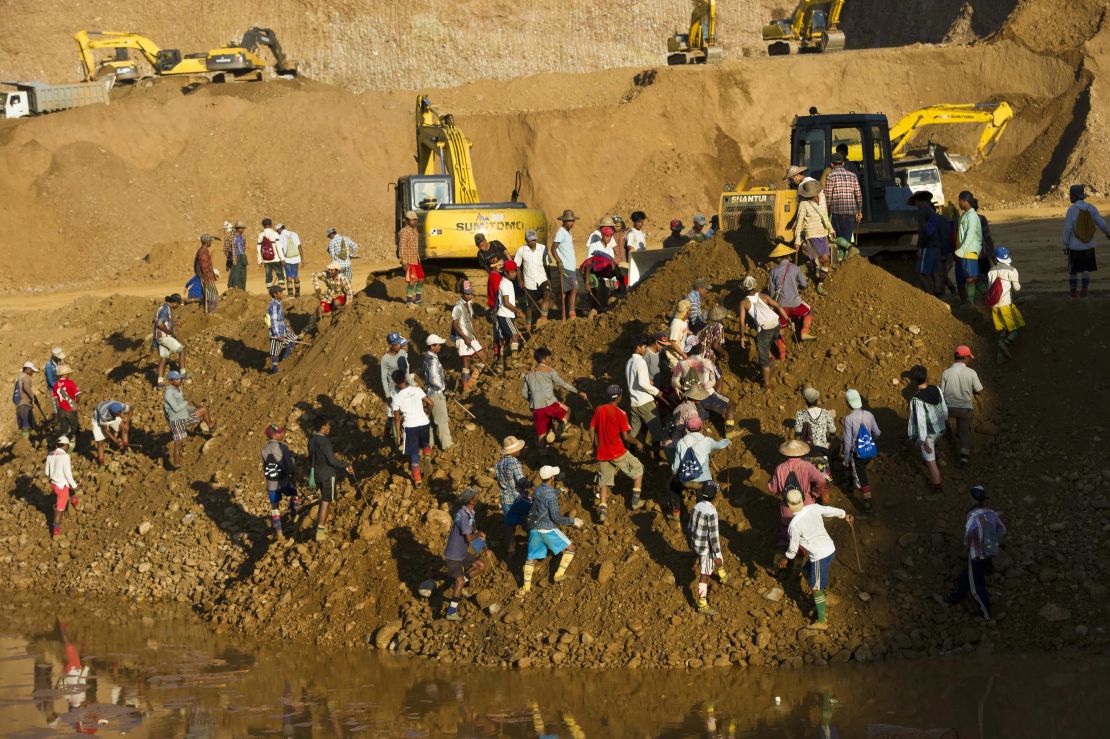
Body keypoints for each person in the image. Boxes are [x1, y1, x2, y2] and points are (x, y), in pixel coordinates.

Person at [777, 490, 854, 631]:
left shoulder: (794, 525)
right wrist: (844, 515)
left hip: (820, 556)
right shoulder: (813, 507)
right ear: (802, 499)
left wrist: (785, 559)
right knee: (806, 571)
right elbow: (829, 510)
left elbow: (793, 549)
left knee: (815, 587)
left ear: (788, 505)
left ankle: (822, 620)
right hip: (830, 549)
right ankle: (821, 599)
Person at [943, 484, 1006, 620]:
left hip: (976, 555)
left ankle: (986, 614)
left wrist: (972, 546)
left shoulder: (971, 516)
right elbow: (1002, 530)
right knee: (968, 576)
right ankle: (954, 597)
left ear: (972, 498)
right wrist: (990, 542)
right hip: (989, 553)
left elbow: (967, 538)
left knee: (976, 587)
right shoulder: (992, 513)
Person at [519, 465, 584, 597]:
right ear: (552, 477)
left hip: (534, 528)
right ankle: (559, 575)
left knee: (531, 558)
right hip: (547, 528)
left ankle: (526, 588)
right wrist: (573, 521)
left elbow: (546, 494)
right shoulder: (551, 496)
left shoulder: (537, 490)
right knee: (571, 548)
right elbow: (556, 517)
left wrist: (558, 490)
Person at [589, 384, 645, 522]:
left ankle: (602, 512)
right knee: (638, 469)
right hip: (617, 452)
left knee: (604, 483)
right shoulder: (621, 414)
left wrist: (594, 446)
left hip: (602, 452)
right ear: (619, 397)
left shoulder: (599, 410)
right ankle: (635, 501)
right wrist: (637, 442)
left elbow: (591, 429)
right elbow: (626, 437)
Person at [521, 347, 587, 447]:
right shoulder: (549, 371)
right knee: (568, 410)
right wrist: (578, 392)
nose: (550, 360)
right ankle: (560, 429)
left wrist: (533, 401)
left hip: (536, 409)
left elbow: (524, 393)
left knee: (541, 435)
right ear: (543, 360)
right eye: (549, 358)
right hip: (550, 404)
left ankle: (544, 458)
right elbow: (563, 384)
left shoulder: (528, 374)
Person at [670, 415, 730, 523]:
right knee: (704, 494)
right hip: (702, 482)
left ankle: (676, 513)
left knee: (673, 487)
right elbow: (720, 445)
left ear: (687, 428)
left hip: (686, 481)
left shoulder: (681, 442)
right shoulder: (707, 441)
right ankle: (699, 519)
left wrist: (679, 474)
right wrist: (727, 442)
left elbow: (675, 467)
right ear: (701, 427)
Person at [769, 439, 828, 545]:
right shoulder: (807, 466)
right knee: (807, 536)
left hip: (788, 510)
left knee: (788, 535)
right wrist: (815, 494)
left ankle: (785, 554)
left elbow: (772, 489)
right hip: (806, 507)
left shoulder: (779, 468)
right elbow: (822, 481)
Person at [443, 488, 488, 621]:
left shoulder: (470, 513)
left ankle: (458, 585)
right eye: (475, 496)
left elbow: (473, 532)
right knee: (460, 581)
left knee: (480, 566)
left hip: (462, 552)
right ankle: (451, 612)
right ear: (470, 500)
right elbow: (469, 537)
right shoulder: (463, 515)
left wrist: (483, 547)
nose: (477, 497)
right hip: (454, 555)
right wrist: (478, 535)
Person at [739, 275, 790, 390]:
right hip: (776, 324)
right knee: (762, 341)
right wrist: (788, 319)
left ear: (744, 289)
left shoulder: (744, 303)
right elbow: (778, 306)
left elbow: (741, 322)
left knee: (763, 358)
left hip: (766, 329)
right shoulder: (763, 296)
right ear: (755, 287)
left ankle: (767, 384)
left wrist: (742, 337)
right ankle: (771, 357)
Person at [671, 345, 737, 433]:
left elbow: (674, 381)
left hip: (691, 397)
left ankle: (698, 437)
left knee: (698, 420)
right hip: (707, 394)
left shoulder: (681, 364)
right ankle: (729, 432)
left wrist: (683, 389)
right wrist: (702, 388)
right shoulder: (707, 362)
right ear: (700, 350)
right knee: (731, 404)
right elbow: (713, 381)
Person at [308, 416, 353, 542]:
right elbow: (332, 460)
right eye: (328, 425)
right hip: (327, 475)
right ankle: (320, 531)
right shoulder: (324, 441)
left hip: (317, 474)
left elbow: (310, 458)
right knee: (326, 501)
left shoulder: (312, 440)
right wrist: (346, 465)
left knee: (325, 499)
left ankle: (321, 527)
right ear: (323, 427)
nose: (329, 427)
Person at [1062, 183, 1109, 297]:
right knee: (1085, 269)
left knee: (1073, 271)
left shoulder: (1072, 210)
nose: (1070, 197)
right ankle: (1084, 290)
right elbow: (1101, 223)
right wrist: (1108, 233)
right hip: (1089, 246)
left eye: (1071, 195)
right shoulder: (1091, 208)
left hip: (1074, 246)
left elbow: (1067, 229)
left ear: (1075, 196)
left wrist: (1065, 245)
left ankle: (1073, 292)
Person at [906, 364, 948, 493]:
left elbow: (921, 422)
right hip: (941, 429)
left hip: (929, 436)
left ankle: (937, 490)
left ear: (913, 380)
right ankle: (938, 454)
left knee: (931, 464)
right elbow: (944, 408)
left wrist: (924, 441)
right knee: (933, 445)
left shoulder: (917, 399)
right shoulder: (937, 389)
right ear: (926, 376)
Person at [940, 345, 983, 467]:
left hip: (949, 408)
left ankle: (946, 443)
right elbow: (979, 389)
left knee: (944, 425)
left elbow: (941, 393)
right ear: (965, 359)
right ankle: (964, 459)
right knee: (965, 433)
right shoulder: (971, 372)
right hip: (965, 409)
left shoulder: (946, 373)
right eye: (968, 358)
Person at [163, 370, 216, 468]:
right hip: (176, 421)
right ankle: (177, 466)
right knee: (178, 444)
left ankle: (212, 428)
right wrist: (188, 401)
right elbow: (176, 408)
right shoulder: (169, 393)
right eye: (177, 379)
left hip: (184, 416)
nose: (180, 380)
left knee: (203, 410)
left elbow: (184, 405)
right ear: (170, 380)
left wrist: (194, 408)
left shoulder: (178, 389)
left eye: (180, 378)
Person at [688, 481, 726, 615]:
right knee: (705, 574)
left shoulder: (697, 506)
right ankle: (702, 604)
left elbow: (689, 526)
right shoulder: (712, 512)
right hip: (705, 548)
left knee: (708, 563)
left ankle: (722, 573)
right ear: (715, 496)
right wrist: (717, 554)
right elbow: (714, 537)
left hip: (695, 543)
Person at [391, 369, 434, 486]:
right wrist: (428, 415)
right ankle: (427, 457)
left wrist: (398, 435)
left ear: (395, 383)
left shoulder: (396, 397)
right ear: (405, 378)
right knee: (425, 443)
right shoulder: (417, 389)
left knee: (414, 453)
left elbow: (397, 419)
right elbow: (430, 403)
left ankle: (418, 480)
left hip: (410, 426)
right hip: (423, 422)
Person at [794, 180, 836, 294]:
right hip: (811, 235)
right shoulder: (804, 204)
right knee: (823, 259)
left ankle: (819, 283)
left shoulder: (822, 199)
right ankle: (807, 268)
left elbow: (825, 216)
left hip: (823, 234)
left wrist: (830, 229)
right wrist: (797, 240)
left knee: (826, 261)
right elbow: (799, 223)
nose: (816, 195)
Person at [768, 243, 816, 341]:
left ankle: (782, 355)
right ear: (789, 257)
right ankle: (804, 332)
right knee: (809, 311)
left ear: (778, 258)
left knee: (780, 328)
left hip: (781, 307)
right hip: (795, 304)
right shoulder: (796, 268)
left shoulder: (773, 271)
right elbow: (804, 284)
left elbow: (772, 293)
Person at [842, 389, 880, 511]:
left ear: (848, 403)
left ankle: (867, 502)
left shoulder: (849, 419)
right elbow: (878, 432)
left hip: (857, 454)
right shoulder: (869, 415)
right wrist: (870, 441)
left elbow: (847, 442)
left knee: (862, 477)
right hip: (869, 452)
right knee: (862, 472)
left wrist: (846, 459)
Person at [451, 280, 493, 391]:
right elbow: (455, 325)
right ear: (461, 293)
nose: (470, 296)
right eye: (467, 293)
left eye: (471, 293)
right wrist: (465, 338)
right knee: (466, 362)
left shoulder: (469, 305)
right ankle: (465, 386)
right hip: (462, 338)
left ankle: (473, 379)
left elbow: (470, 320)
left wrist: (476, 336)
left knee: (484, 356)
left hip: (471, 337)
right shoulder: (458, 307)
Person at [626, 335, 665, 448]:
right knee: (657, 431)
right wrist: (657, 392)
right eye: (644, 347)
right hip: (645, 402)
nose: (645, 349)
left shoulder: (629, 362)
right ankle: (657, 456)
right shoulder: (640, 362)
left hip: (634, 403)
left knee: (634, 431)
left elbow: (636, 380)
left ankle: (629, 451)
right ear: (638, 347)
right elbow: (643, 384)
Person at [260, 424, 299, 538]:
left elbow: (265, 466)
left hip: (272, 482)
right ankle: (293, 519)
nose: (282, 434)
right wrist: (293, 473)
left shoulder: (264, 449)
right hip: (284, 479)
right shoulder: (282, 447)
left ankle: (279, 532)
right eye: (280, 432)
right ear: (275, 434)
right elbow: (289, 464)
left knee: (274, 507)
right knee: (294, 495)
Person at [986, 246, 1024, 361]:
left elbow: (989, 289)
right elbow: (1017, 288)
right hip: (1006, 304)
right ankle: (1007, 343)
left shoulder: (991, 271)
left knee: (1003, 330)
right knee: (1017, 328)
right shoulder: (1012, 270)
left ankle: (1000, 358)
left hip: (994, 306)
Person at [495, 436, 530, 556]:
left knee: (510, 527)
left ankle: (511, 551)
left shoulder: (498, 464)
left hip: (505, 499)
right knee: (529, 521)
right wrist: (529, 483)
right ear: (513, 451)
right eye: (518, 448)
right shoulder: (514, 462)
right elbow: (521, 481)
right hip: (518, 498)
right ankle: (532, 546)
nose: (520, 450)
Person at [910, 191, 948, 298]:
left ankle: (929, 295)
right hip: (937, 245)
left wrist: (920, 247)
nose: (916, 206)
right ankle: (939, 295)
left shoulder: (922, 212)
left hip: (928, 245)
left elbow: (923, 231)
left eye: (916, 203)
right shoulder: (932, 212)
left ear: (918, 201)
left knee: (920, 272)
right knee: (935, 271)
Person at [794, 387, 836, 477]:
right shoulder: (826, 413)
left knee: (806, 481)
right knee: (822, 483)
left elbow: (797, 435)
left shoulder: (800, 414)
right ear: (817, 399)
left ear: (805, 400)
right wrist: (829, 442)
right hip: (821, 452)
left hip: (806, 452)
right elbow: (832, 431)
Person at [514, 229, 551, 327]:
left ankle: (543, 318)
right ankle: (528, 325)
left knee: (546, 295)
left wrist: (549, 278)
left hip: (542, 278)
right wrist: (520, 280)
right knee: (529, 306)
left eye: (534, 240)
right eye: (530, 240)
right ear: (526, 240)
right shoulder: (521, 250)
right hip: (529, 281)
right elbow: (517, 266)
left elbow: (547, 264)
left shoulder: (543, 248)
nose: (532, 242)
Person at [422, 334, 453, 451]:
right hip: (436, 393)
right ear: (432, 346)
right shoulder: (433, 361)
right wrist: (444, 389)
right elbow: (434, 379)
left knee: (430, 421)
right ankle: (446, 445)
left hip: (428, 393)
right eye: (438, 345)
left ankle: (430, 444)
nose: (440, 346)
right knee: (441, 420)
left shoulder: (427, 358)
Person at [45, 436, 79, 539]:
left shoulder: (50, 454)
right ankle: (55, 530)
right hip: (61, 487)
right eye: (68, 445)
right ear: (65, 445)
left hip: (53, 485)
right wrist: (75, 485)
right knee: (60, 509)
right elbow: (68, 474)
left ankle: (74, 500)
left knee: (68, 486)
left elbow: (47, 472)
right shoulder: (65, 456)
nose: (68, 447)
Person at [825, 151, 863, 243]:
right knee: (847, 237)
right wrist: (859, 211)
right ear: (843, 163)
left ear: (831, 164)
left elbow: (828, 197)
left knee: (838, 238)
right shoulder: (853, 176)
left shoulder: (831, 176)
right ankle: (846, 256)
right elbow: (858, 195)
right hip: (851, 212)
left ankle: (841, 257)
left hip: (837, 212)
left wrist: (826, 212)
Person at [495, 260, 526, 370]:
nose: (514, 274)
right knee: (514, 335)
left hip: (507, 314)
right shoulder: (505, 284)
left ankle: (500, 364)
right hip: (505, 314)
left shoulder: (508, 282)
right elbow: (506, 303)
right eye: (512, 272)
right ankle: (514, 361)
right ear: (506, 272)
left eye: (515, 272)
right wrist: (518, 310)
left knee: (505, 340)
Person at [152, 293, 186, 388]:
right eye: (178, 304)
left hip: (158, 337)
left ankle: (160, 381)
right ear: (174, 302)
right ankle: (183, 374)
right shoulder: (165, 310)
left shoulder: (165, 307)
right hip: (164, 337)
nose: (178, 306)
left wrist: (175, 322)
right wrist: (169, 332)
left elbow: (165, 321)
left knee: (163, 358)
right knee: (181, 349)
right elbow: (159, 324)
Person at [551, 210, 580, 318]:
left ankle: (565, 312)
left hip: (571, 266)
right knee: (574, 287)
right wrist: (559, 261)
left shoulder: (568, 232)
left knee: (567, 290)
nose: (571, 223)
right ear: (564, 221)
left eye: (572, 221)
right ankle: (571, 311)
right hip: (566, 266)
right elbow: (553, 248)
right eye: (569, 221)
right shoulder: (561, 232)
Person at [955, 191, 982, 304]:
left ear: (965, 201)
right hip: (964, 252)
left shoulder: (971, 216)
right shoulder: (965, 215)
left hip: (968, 251)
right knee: (970, 277)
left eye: (959, 201)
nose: (959, 203)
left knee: (971, 278)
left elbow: (970, 234)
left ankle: (972, 304)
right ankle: (984, 297)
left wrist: (961, 250)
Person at [266, 285, 300, 374]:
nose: (282, 294)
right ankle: (274, 367)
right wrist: (277, 335)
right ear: (275, 294)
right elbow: (273, 321)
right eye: (280, 292)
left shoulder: (278, 303)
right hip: (276, 332)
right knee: (275, 352)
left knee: (294, 338)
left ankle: (285, 354)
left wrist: (286, 329)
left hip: (283, 329)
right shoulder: (273, 306)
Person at [397, 210, 425, 306]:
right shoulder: (404, 232)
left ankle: (418, 299)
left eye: (415, 220)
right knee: (412, 281)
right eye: (411, 220)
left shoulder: (415, 230)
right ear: (407, 220)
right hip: (409, 260)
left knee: (421, 279)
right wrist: (403, 261)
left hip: (416, 259)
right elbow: (401, 247)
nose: (414, 222)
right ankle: (409, 301)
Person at [91, 400, 131, 466]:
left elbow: (131, 409)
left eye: (121, 411)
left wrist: (127, 423)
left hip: (111, 416)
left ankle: (125, 448)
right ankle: (101, 462)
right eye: (119, 413)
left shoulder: (120, 406)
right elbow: (105, 429)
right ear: (113, 412)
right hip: (98, 420)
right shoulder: (103, 414)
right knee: (100, 442)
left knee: (124, 427)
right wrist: (116, 441)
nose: (121, 414)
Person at [52, 365, 80, 446]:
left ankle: (64, 446)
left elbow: (56, 400)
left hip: (61, 410)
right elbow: (78, 395)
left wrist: (59, 411)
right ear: (66, 374)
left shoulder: (56, 385)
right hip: (70, 409)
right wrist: (76, 404)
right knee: (74, 430)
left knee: (64, 430)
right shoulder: (70, 383)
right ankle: (73, 447)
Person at [380, 332, 410, 410]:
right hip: (394, 389)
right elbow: (384, 378)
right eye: (396, 344)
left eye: (399, 343)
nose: (399, 345)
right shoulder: (385, 359)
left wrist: (411, 384)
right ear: (390, 345)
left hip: (404, 386)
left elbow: (406, 370)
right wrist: (387, 395)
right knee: (396, 411)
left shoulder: (403, 353)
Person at [14, 361, 41, 441]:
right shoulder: (25, 377)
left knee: (26, 423)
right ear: (28, 369)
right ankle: (25, 444)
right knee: (26, 424)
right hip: (24, 403)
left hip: (19, 403)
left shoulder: (19, 377)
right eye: (32, 371)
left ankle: (28, 441)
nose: (33, 373)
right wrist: (33, 396)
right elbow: (26, 388)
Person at [256, 218, 285, 291]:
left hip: (266, 260)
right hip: (276, 259)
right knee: (280, 275)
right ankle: (279, 292)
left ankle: (270, 292)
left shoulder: (261, 235)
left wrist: (259, 261)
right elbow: (279, 247)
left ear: (263, 225)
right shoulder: (275, 234)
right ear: (271, 224)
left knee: (268, 276)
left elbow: (258, 249)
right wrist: (282, 259)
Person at [194, 234, 220, 314]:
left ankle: (210, 312)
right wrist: (205, 279)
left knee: (211, 295)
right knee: (212, 296)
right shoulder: (203, 252)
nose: (211, 242)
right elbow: (204, 267)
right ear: (206, 242)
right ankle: (211, 313)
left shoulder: (203, 250)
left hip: (207, 277)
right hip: (206, 278)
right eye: (210, 241)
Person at [277, 223, 303, 297]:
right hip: (296, 258)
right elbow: (299, 246)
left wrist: (282, 259)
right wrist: (302, 258)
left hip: (287, 260)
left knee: (289, 277)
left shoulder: (280, 236)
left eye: (277, 230)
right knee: (296, 275)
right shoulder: (294, 234)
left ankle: (290, 295)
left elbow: (281, 249)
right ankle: (298, 294)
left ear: (279, 229)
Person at [224, 221, 249, 291]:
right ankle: (234, 291)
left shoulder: (243, 237)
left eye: (244, 228)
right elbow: (226, 250)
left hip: (242, 258)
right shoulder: (231, 238)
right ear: (237, 228)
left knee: (243, 275)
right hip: (235, 259)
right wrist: (229, 261)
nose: (243, 229)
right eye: (242, 228)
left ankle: (242, 291)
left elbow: (244, 248)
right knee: (235, 276)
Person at [44, 347, 64, 419]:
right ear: (54, 356)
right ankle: (57, 418)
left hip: (60, 385)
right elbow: (50, 380)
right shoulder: (49, 366)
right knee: (55, 404)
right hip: (53, 388)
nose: (60, 359)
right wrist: (58, 387)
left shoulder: (59, 362)